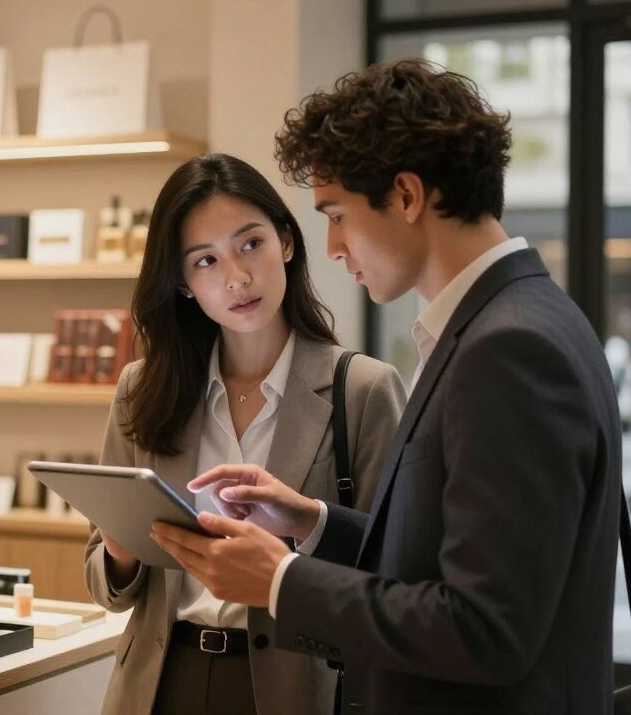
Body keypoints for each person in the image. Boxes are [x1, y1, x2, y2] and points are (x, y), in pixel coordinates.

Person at [151, 59, 622, 714]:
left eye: (337, 214)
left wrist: (281, 580)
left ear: (405, 196)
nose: (334, 247)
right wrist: (314, 522)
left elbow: (486, 628)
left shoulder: (509, 348)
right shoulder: (513, 320)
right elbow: (448, 554)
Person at [84, 153, 407, 715]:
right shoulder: (144, 389)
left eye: (250, 244)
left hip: (297, 687)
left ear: (286, 241)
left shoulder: (363, 389)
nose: (235, 276)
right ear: (183, 284)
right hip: (160, 682)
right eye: (205, 260)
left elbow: (397, 573)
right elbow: (104, 585)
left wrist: (299, 539)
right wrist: (120, 550)